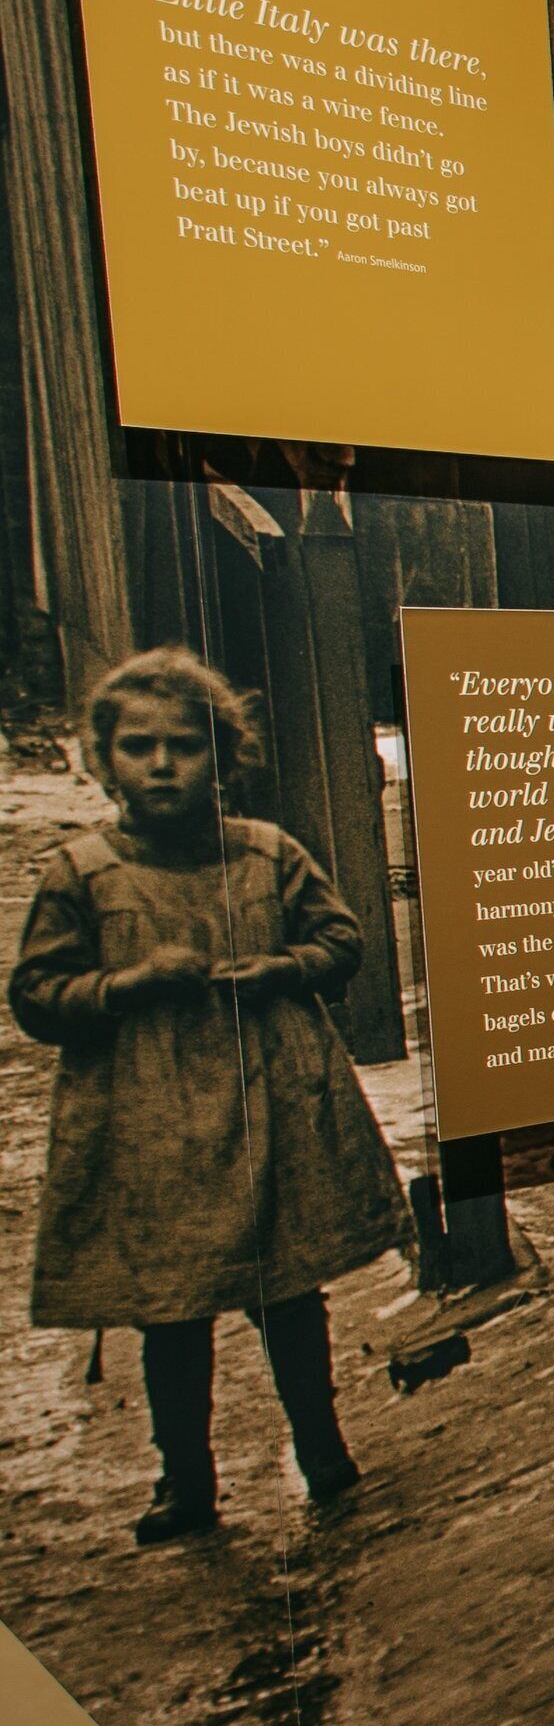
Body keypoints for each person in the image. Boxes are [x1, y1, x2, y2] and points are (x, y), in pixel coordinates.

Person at [13, 650, 408, 1543]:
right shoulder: (82, 875)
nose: (162, 766)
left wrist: (279, 969)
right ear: (101, 758)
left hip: (268, 1102)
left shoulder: (269, 856)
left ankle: (323, 1451)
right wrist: (124, 986)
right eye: (139, 747)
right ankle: (186, 1483)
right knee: (174, 1310)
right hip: (149, 1122)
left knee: (289, 1289)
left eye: (185, 747)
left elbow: (340, 941)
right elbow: (37, 997)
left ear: (222, 758)